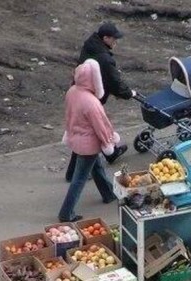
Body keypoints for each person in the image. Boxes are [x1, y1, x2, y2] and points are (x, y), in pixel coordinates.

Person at [65, 21, 135, 182]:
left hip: (79, 91)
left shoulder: (90, 45)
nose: (115, 42)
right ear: (105, 38)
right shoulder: (104, 57)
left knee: (85, 129)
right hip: (91, 97)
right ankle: (107, 154)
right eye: (113, 38)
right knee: (93, 129)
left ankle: (106, 156)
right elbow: (113, 80)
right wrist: (127, 93)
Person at [58, 59, 117, 222]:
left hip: (76, 137)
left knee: (96, 167)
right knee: (79, 179)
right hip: (89, 144)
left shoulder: (72, 91)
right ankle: (66, 213)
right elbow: (102, 127)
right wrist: (109, 142)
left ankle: (108, 193)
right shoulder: (92, 102)